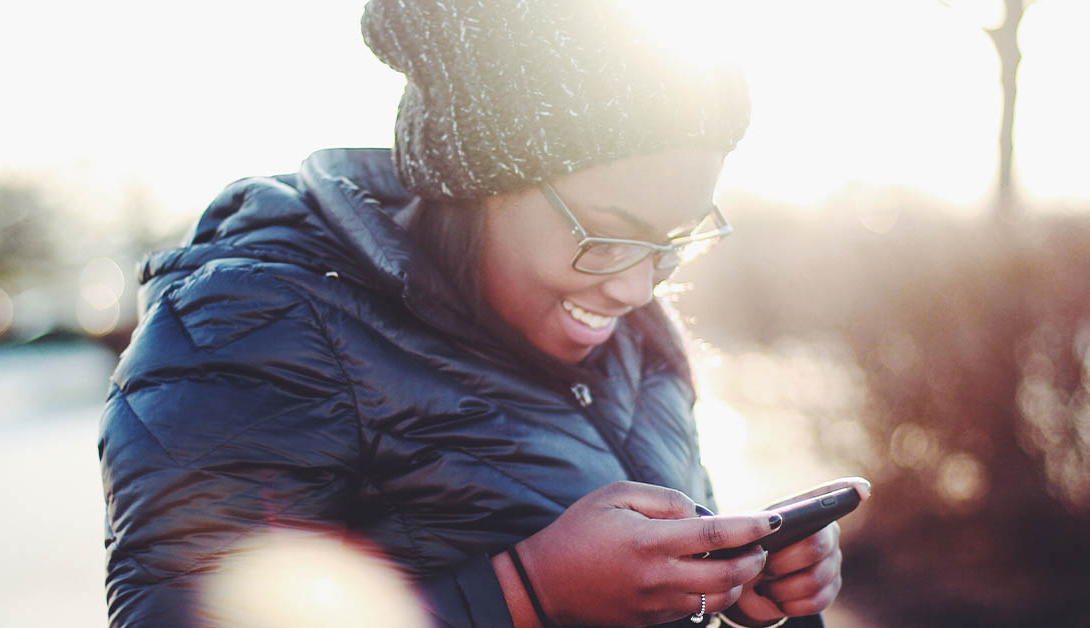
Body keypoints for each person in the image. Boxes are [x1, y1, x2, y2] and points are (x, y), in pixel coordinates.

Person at [98, 1, 868, 627]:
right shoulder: (257, 324)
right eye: (608, 232)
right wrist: (524, 594)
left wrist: (747, 594)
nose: (639, 288)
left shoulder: (634, 334)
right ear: (477, 181)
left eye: (673, 242)